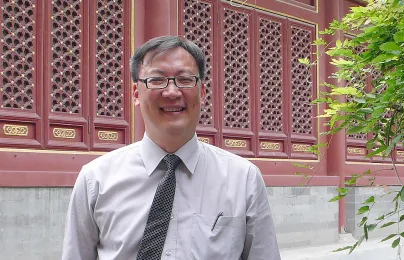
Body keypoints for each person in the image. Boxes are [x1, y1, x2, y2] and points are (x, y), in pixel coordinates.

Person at [61, 35, 281, 260]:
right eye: (157, 80)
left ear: (202, 92)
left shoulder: (243, 179)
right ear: (136, 94)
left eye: (185, 80)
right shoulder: (96, 179)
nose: (172, 92)